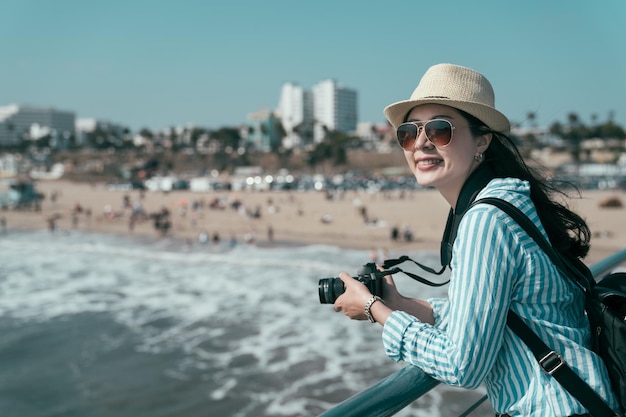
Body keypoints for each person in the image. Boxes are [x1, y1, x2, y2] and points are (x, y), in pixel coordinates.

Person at [332, 63, 620, 416]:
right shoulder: (507, 202)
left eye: (439, 130)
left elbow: (462, 365)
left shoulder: (486, 219)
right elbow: (491, 310)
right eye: (409, 132)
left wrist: (374, 310)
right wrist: (402, 304)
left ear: (482, 140)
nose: (420, 143)